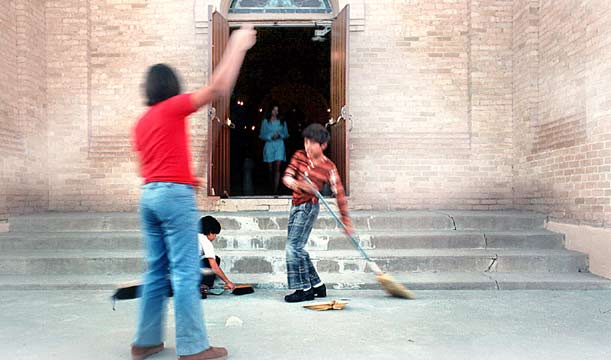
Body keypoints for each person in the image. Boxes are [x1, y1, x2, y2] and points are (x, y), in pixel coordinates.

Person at [130, 25, 256, 360]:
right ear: (172, 89)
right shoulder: (173, 107)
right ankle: (194, 347)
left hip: (149, 196)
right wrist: (237, 45)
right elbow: (218, 87)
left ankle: (144, 342)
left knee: (156, 270)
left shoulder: (141, 123)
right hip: (173, 196)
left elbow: (149, 165)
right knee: (186, 272)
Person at [281, 123, 353, 303]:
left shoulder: (329, 167)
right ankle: (318, 285)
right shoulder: (299, 156)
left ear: (323, 145)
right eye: (305, 141)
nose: (307, 146)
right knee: (298, 248)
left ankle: (303, 289)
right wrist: (299, 185)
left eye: (311, 143)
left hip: (308, 208)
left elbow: (339, 193)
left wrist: (346, 219)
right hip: (295, 204)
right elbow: (287, 177)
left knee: (293, 248)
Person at [198, 216, 235, 290]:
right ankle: (203, 286)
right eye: (215, 234)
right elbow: (214, 266)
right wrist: (228, 282)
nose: (215, 237)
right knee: (215, 259)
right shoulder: (205, 242)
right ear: (210, 232)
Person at [259, 104, 289, 195]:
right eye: (274, 110)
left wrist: (280, 135)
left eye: (277, 110)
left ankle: (276, 190)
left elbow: (286, 134)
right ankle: (270, 187)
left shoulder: (282, 121)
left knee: (277, 168)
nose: (276, 112)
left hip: (279, 145)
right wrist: (270, 136)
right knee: (270, 169)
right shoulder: (265, 122)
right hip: (269, 145)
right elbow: (261, 135)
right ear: (270, 111)